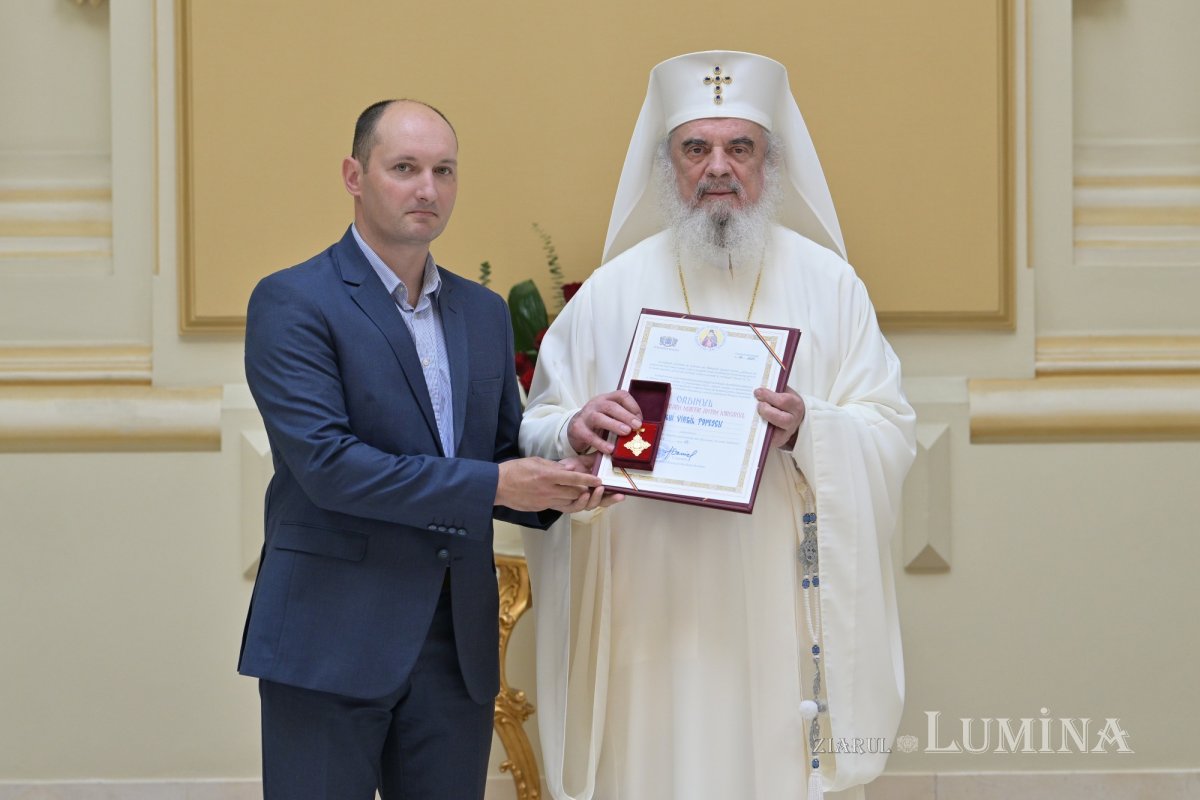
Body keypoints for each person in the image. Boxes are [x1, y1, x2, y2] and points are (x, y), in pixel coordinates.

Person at [520, 52, 916, 799]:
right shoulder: (612, 291)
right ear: (666, 165)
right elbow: (537, 428)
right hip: (651, 605)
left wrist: (812, 428)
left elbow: (890, 426)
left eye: (741, 148)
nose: (718, 169)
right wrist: (577, 427)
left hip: (782, 607)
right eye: (695, 148)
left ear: (772, 162)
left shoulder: (831, 286)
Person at [239, 99, 615, 800]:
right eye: (404, 168)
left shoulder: (481, 310)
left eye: (444, 170)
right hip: (330, 636)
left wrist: (574, 474)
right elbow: (328, 466)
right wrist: (498, 485)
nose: (427, 189)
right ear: (355, 175)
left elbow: (500, 449)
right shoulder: (293, 302)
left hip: (455, 648)